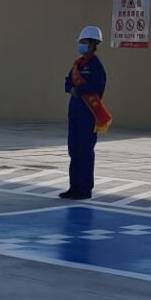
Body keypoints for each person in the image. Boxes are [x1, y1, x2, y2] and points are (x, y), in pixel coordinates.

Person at [61, 25, 109, 199]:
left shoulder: (96, 66)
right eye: (80, 41)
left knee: (85, 151)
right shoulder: (78, 64)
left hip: (88, 114)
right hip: (75, 111)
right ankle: (74, 186)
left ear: (93, 43)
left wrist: (79, 90)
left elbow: (96, 85)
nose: (81, 44)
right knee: (73, 150)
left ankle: (84, 189)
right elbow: (68, 81)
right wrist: (70, 89)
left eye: (84, 42)